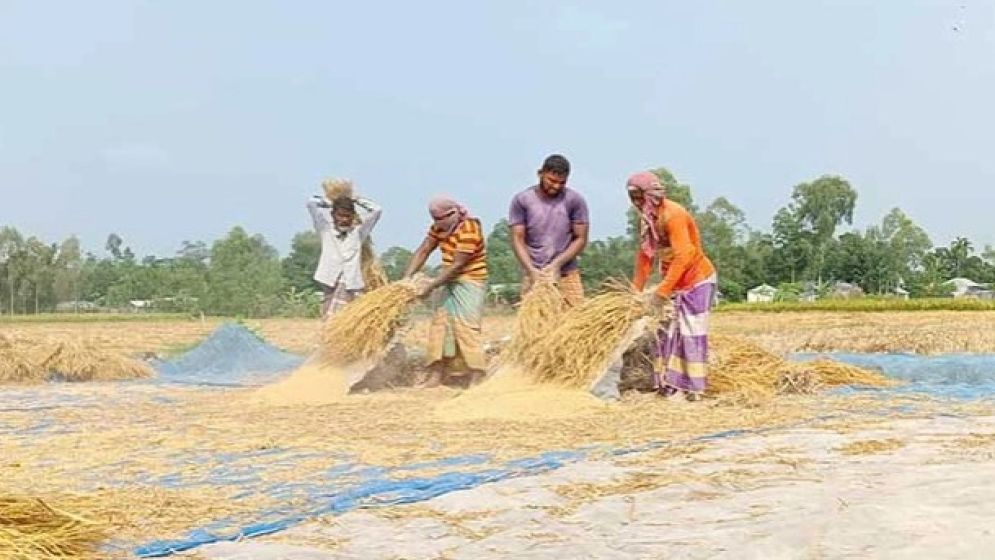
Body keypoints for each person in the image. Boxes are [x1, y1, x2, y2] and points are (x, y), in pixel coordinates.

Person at [627, 171, 717, 401]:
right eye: (633, 198)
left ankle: (693, 390)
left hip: (696, 280)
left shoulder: (673, 215)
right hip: (674, 282)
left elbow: (685, 256)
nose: (637, 203)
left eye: (640, 197)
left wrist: (662, 291)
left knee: (690, 333)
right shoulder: (647, 220)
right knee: (665, 333)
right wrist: (633, 293)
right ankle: (670, 386)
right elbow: (645, 258)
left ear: (652, 195)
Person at [403, 197, 489, 388]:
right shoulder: (438, 228)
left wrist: (431, 286)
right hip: (447, 280)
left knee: (467, 327)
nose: (437, 223)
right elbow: (424, 250)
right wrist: (406, 280)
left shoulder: (469, 229)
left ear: (453, 213)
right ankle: (436, 373)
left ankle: (477, 373)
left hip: (470, 280)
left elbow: (458, 265)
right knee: (440, 326)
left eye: (440, 218)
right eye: (434, 219)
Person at [508, 154, 590, 306]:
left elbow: (581, 239)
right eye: (551, 181)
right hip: (534, 274)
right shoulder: (522, 200)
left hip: (567, 273)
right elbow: (517, 239)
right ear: (540, 173)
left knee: (575, 322)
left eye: (562, 183)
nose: (556, 186)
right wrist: (531, 270)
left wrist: (556, 265)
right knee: (535, 325)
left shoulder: (575, 200)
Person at [307, 180, 382, 319]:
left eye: (347, 216)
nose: (344, 220)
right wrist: (331, 201)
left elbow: (377, 210)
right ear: (333, 215)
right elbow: (311, 203)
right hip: (328, 277)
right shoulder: (325, 229)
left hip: (350, 282)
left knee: (344, 316)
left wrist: (356, 199)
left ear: (353, 217)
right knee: (328, 314)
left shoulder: (358, 233)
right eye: (340, 215)